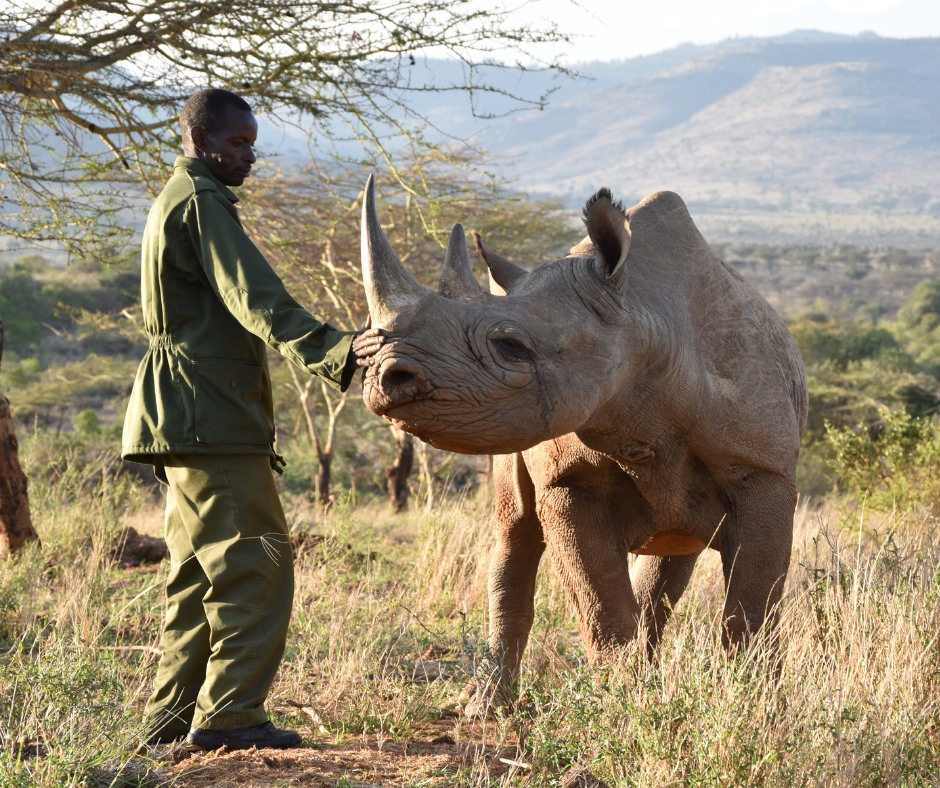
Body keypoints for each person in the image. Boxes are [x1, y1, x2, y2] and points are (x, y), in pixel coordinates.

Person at [121, 88, 383, 752]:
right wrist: (337, 349)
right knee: (256, 566)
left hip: (182, 415)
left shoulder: (177, 198)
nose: (249, 156)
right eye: (237, 144)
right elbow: (253, 297)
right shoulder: (204, 203)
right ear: (199, 138)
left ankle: (171, 722)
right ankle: (232, 718)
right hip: (212, 414)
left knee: (196, 575)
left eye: (251, 143)